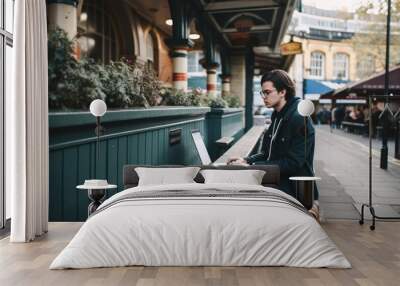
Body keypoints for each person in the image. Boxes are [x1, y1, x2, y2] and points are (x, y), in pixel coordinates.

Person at [227, 69, 320, 220]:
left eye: (268, 92)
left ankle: (313, 207)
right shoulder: (277, 115)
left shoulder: (299, 118)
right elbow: (266, 153)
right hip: (278, 180)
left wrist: (253, 168)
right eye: (262, 93)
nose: (264, 97)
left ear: (283, 92)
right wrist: (247, 160)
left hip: (295, 187)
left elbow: (294, 163)